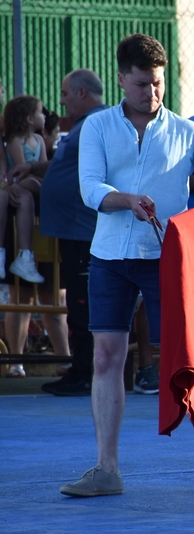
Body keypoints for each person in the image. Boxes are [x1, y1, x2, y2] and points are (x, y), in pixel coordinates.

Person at [60, 33, 194, 498]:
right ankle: (107, 469)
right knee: (106, 357)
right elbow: (89, 188)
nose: (153, 92)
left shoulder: (187, 131)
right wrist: (125, 199)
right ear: (122, 79)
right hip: (108, 258)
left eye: (159, 83)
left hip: (168, 260)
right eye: (144, 83)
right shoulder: (97, 127)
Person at [6, 69, 107, 395]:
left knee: (81, 301)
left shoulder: (97, 123)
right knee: (78, 303)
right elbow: (64, 164)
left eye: (64, 94)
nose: (60, 102)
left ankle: (86, 372)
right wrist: (34, 167)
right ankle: (79, 370)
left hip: (82, 229)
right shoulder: (82, 126)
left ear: (80, 93)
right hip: (71, 227)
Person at [1, 95, 46, 283]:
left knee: (28, 196)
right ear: (29, 118)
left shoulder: (39, 140)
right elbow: (20, 169)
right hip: (19, 181)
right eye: (40, 112)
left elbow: (43, 167)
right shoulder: (15, 140)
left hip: (31, 182)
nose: (44, 116)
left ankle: (25, 255)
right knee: (29, 189)